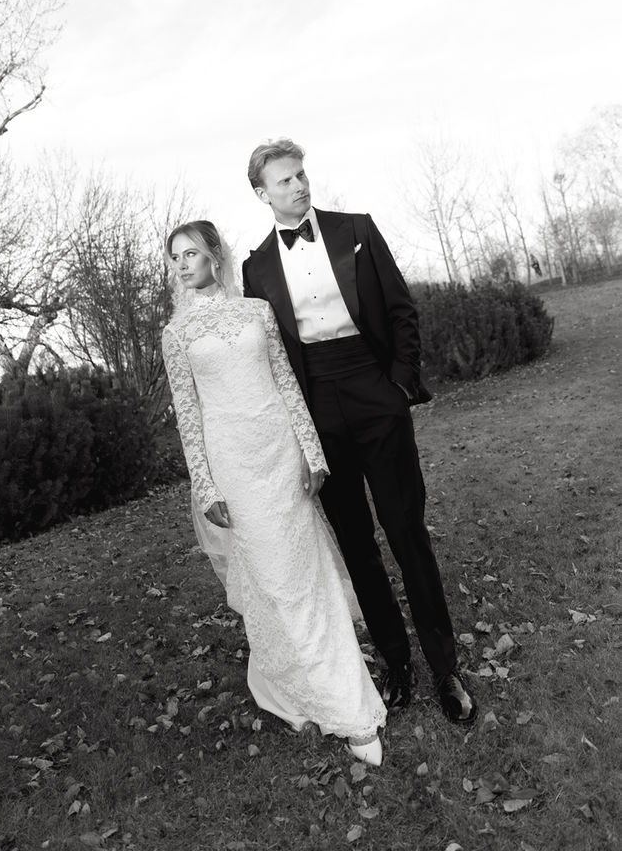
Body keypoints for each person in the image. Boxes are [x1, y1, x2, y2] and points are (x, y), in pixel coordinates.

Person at [242, 138, 477, 725]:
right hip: (316, 405)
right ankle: (396, 665)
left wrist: (398, 386)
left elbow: (401, 309)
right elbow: (269, 357)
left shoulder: (358, 230)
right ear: (261, 193)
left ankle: (444, 668)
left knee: (406, 530)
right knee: (357, 544)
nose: (298, 186)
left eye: (301, 174)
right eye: (284, 181)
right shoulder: (255, 268)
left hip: (374, 391)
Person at [162, 219, 387, 764]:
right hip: (233, 467)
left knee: (305, 575)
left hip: (282, 455)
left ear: (215, 255)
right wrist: (205, 483)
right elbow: (188, 417)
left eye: (192, 253)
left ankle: (340, 693)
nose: (183, 264)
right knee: (275, 583)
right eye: (174, 258)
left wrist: (311, 452)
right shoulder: (175, 335)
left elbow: (287, 382)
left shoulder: (257, 313)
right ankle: (301, 685)